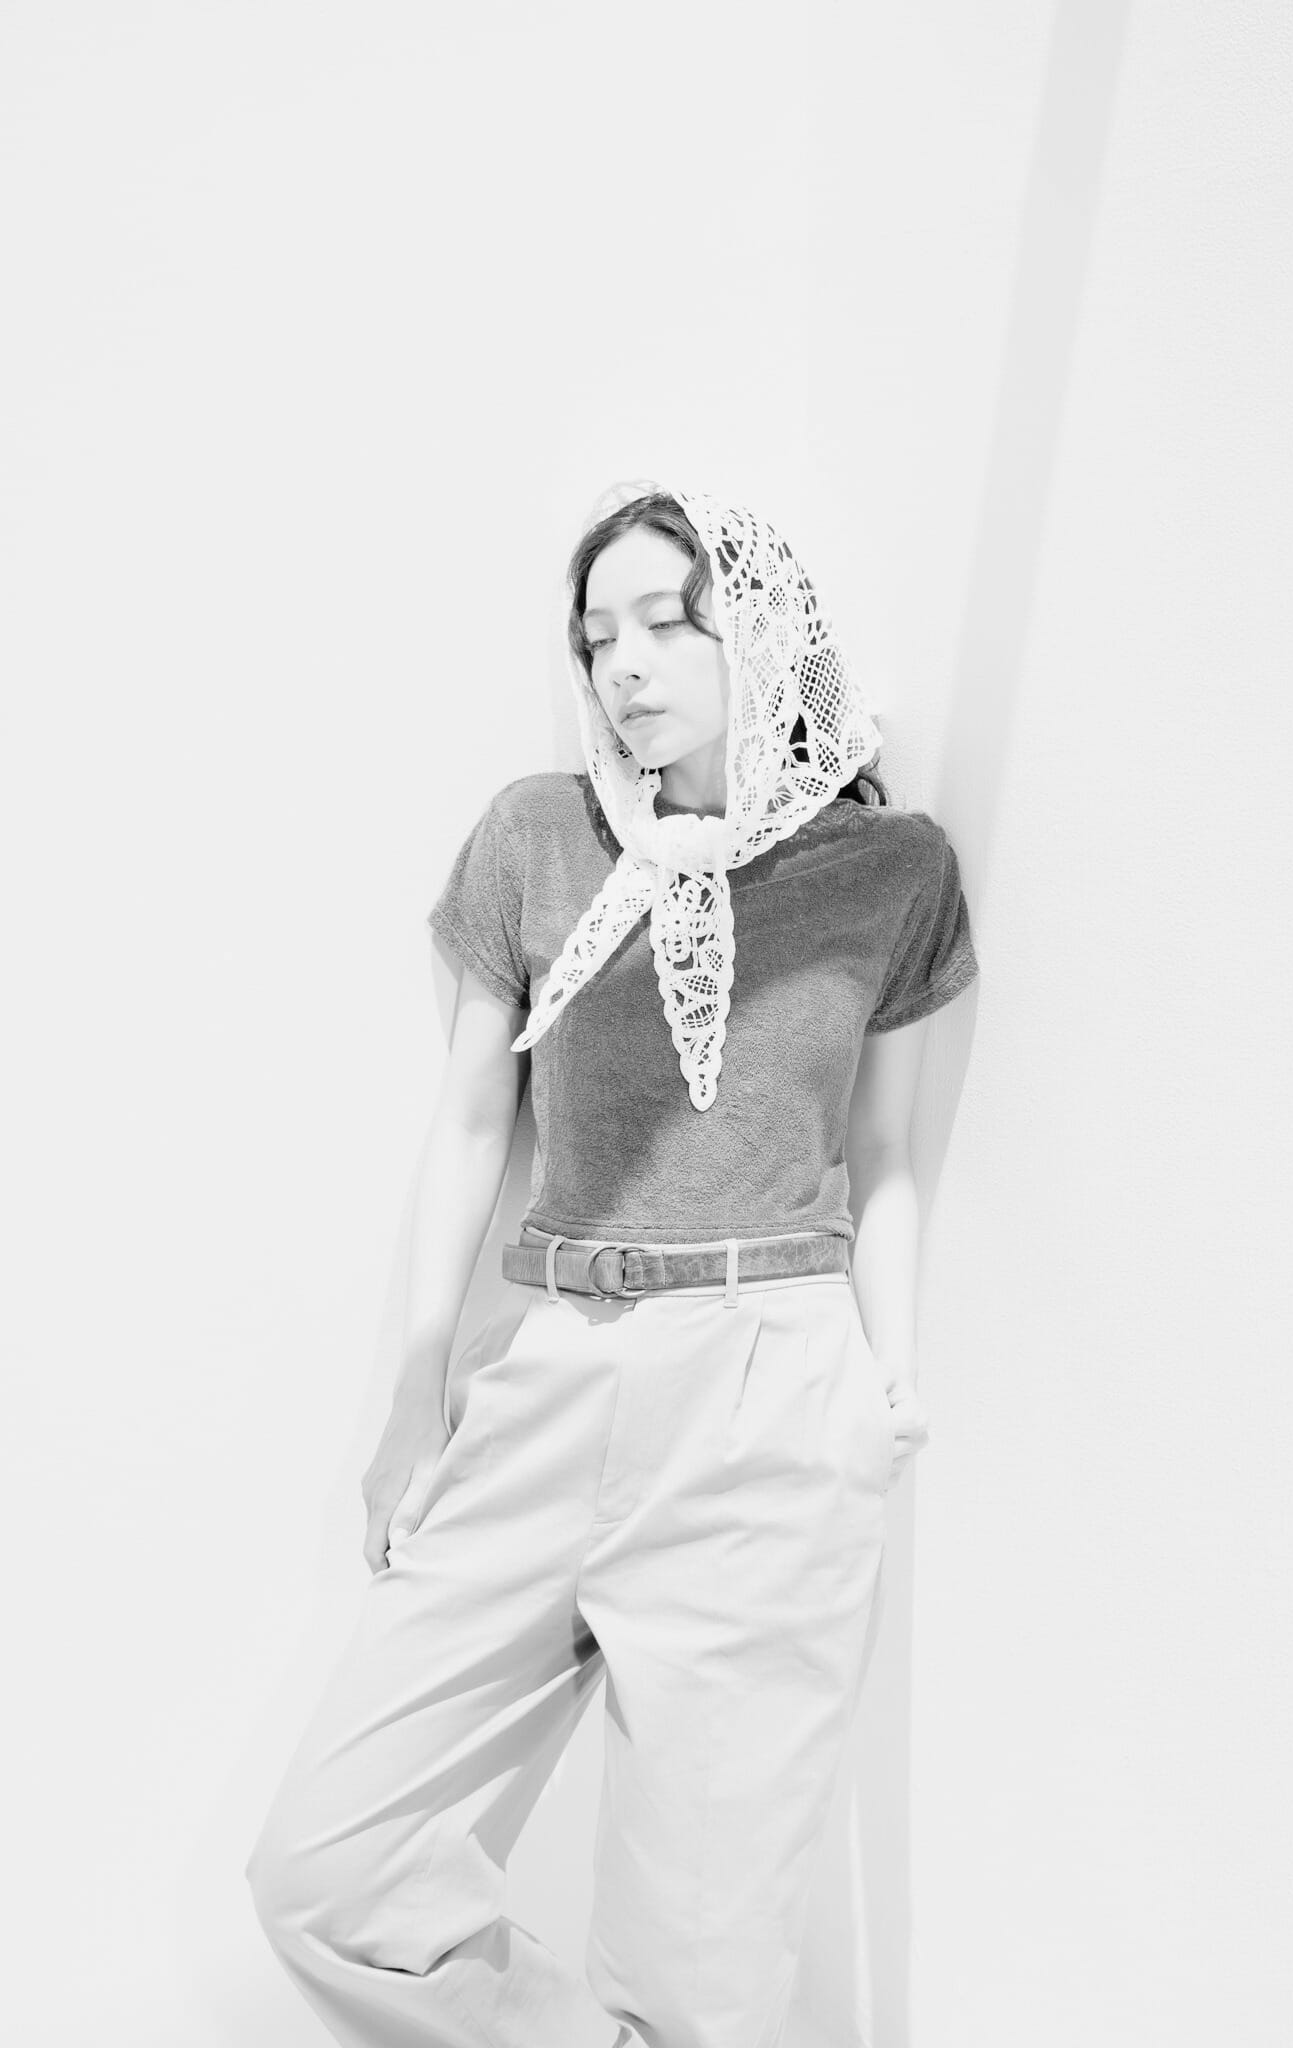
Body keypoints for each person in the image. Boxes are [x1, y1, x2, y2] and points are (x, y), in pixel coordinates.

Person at [244, 481, 980, 2048]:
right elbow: (470, 1127)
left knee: (706, 1985)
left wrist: (892, 1380)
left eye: (666, 621)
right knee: (327, 1871)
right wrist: (415, 1398)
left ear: (760, 631)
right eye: (596, 636)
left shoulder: (892, 870)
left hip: (772, 1398)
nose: (624, 663)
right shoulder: (537, 835)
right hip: (554, 1369)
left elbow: (889, 1153)